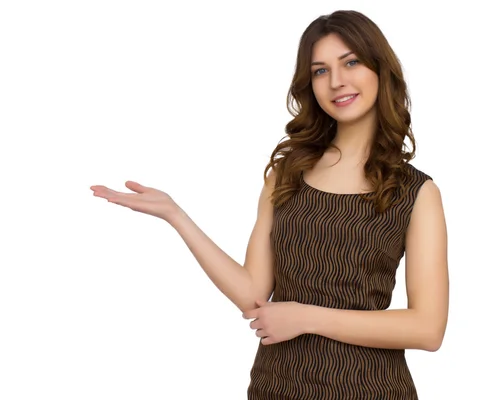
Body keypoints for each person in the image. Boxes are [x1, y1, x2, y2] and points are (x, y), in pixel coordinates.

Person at [90, 9, 449, 400]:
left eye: (351, 62)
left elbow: (428, 329)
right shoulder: (288, 174)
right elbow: (252, 294)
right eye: (320, 70)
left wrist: (307, 318)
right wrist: (176, 215)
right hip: (276, 386)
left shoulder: (416, 193)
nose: (337, 81)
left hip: (369, 389)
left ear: (380, 69)